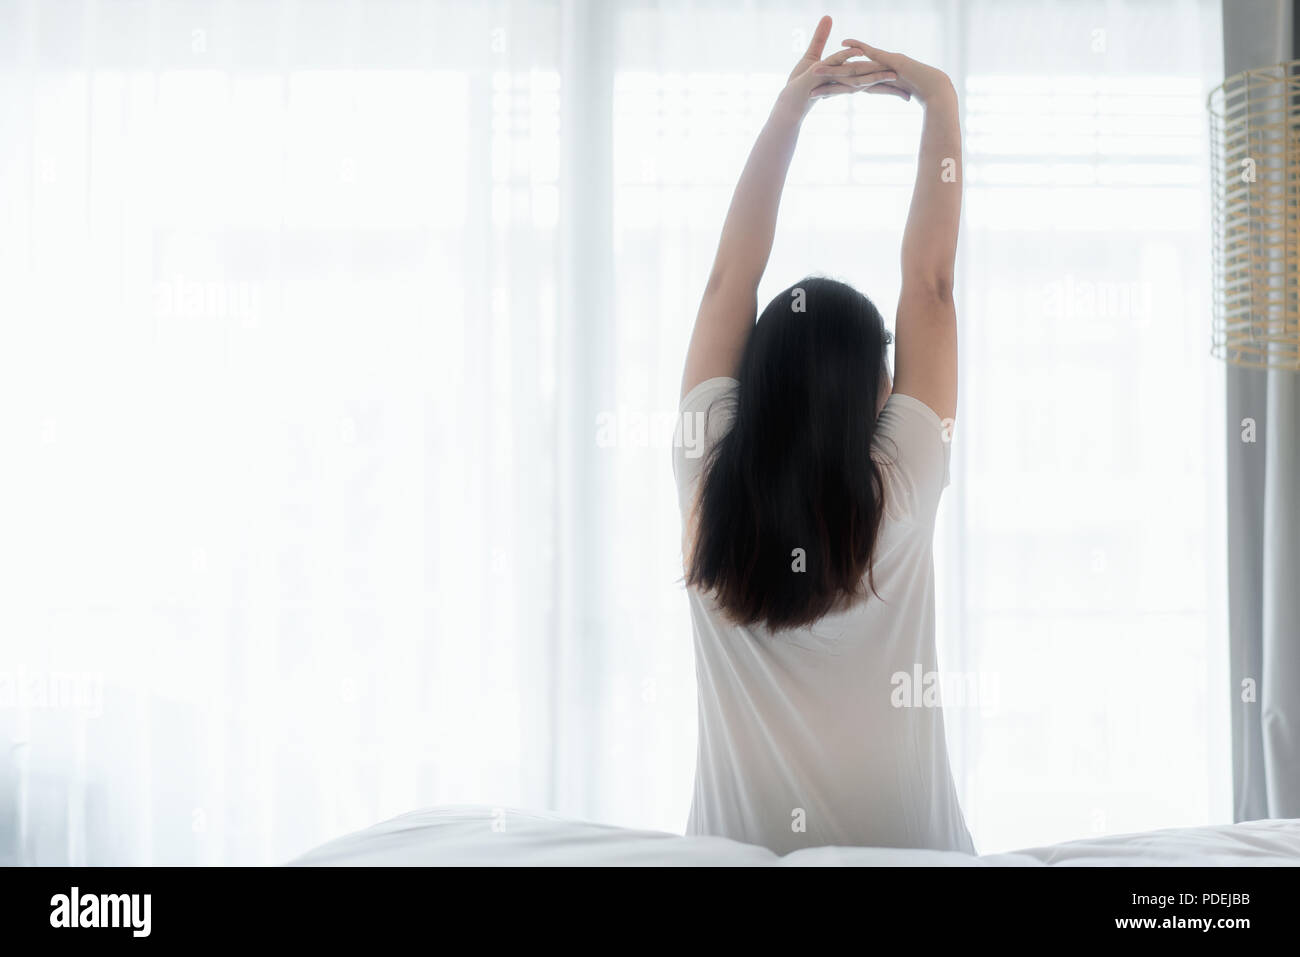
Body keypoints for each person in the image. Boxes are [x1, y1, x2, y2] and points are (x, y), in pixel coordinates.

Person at [672, 15, 973, 855]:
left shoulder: (706, 468)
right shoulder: (902, 482)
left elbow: (727, 281)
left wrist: (787, 116)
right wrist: (940, 103)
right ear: (873, 391)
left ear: (755, 377)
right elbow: (932, 282)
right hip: (915, 853)